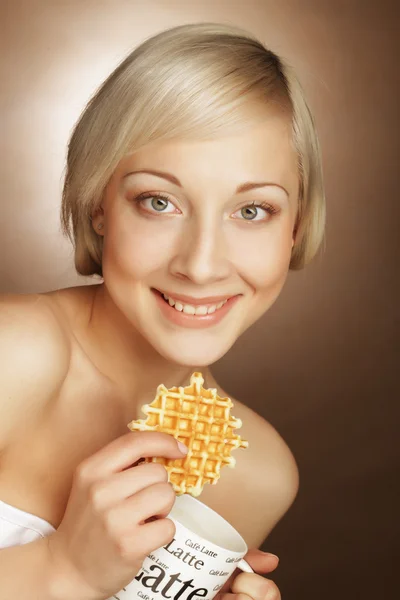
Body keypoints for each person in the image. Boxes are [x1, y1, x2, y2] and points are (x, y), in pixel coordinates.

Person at [0, 22, 325, 600]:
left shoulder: (257, 472)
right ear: (99, 206)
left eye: (252, 211)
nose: (201, 266)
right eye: (159, 202)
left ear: (296, 228)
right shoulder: (10, 355)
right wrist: (61, 572)